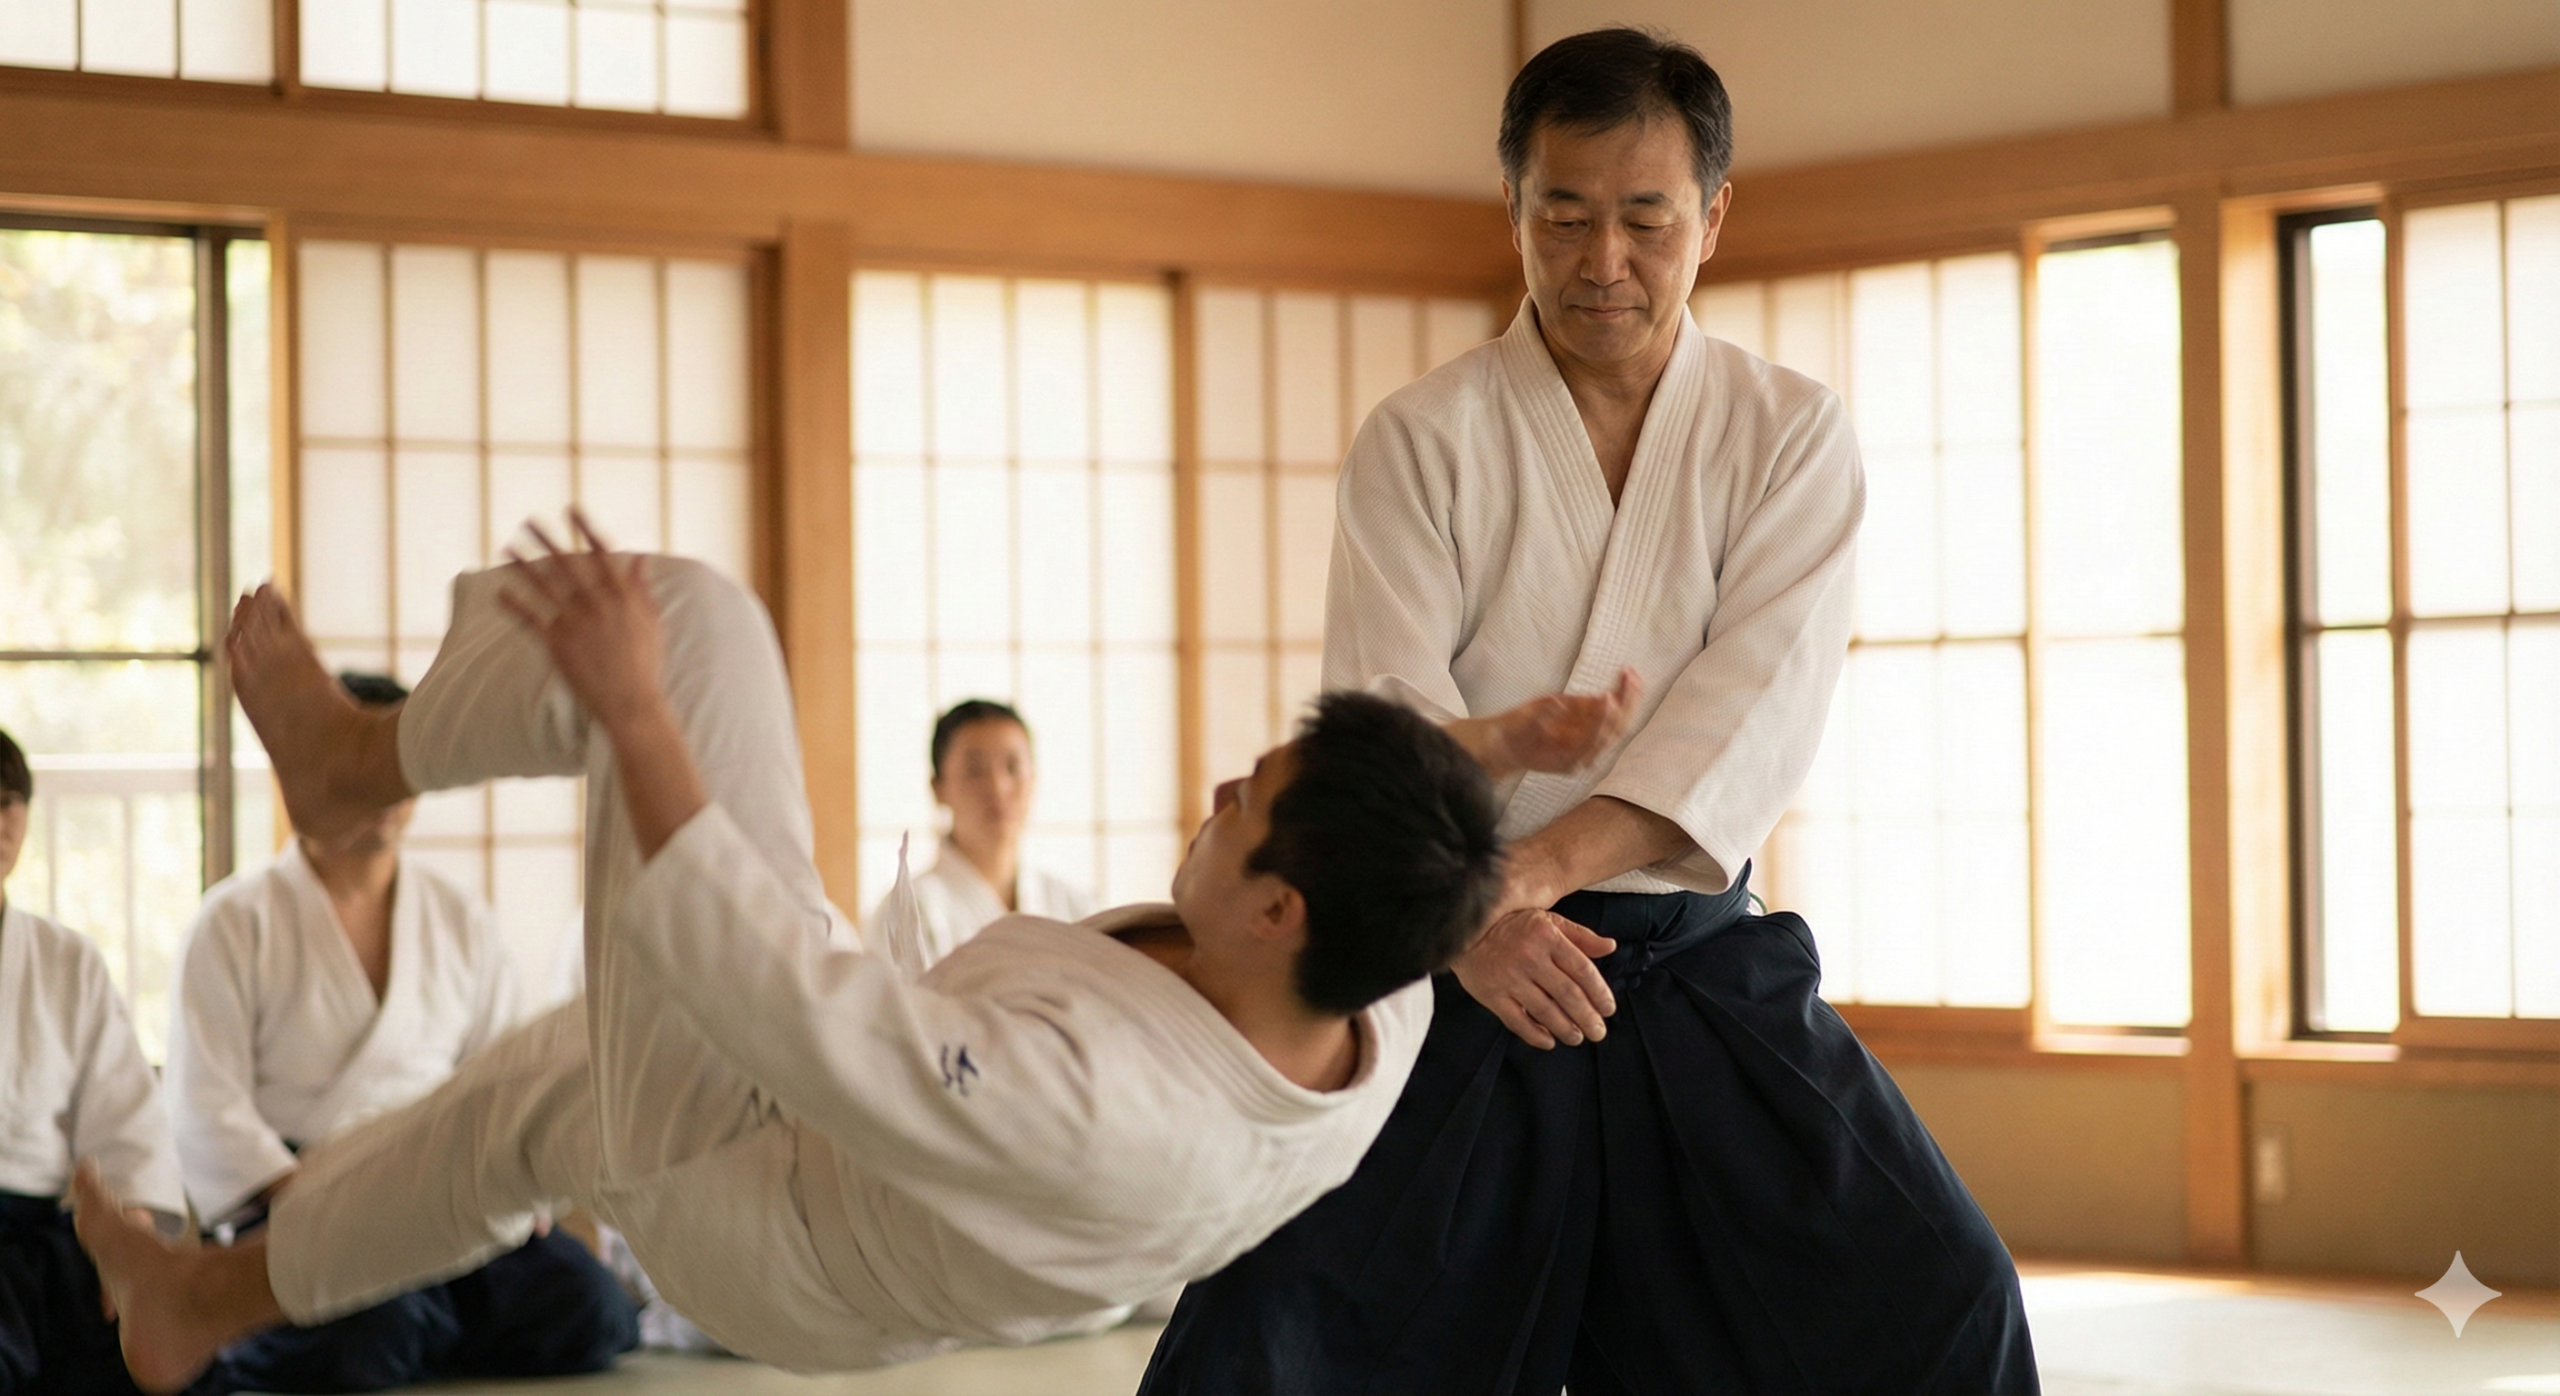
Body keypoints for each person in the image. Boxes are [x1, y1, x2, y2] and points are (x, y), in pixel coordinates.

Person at [72, 519, 1633, 1393]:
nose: (1224, 792)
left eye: (1254, 803)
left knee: (655, 666)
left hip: (771, 1223)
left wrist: (629, 719)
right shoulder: (1384, 965)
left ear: (1281, 913)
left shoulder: (1110, 1112)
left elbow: (789, 1009)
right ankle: (208, 1300)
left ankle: (212, 1293)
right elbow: (1420, 851)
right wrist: (1485, 746)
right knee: (694, 641)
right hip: (834, 1110)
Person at [1141, 28, 2038, 1395]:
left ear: (1713, 218)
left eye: (1643, 219)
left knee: (1936, 1303)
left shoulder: (1788, 433)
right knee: (1279, 1334)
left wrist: (1532, 875)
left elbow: (1757, 707)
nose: (1599, 260)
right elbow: (1390, 715)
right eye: (1561, 215)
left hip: (1681, 961)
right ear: (1515, 212)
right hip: (1453, 973)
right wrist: (1476, 922)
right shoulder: (1423, 440)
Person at [166, 672, 638, 1392]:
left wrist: (515, 1183)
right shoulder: (234, 922)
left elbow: (507, 1071)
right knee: (366, 1332)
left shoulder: (457, 918)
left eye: (395, 768)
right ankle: (395, 1318)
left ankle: (419, 1314)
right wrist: (317, 1200)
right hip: (300, 1187)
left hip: (442, 1181)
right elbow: (205, 1104)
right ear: (305, 774)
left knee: (588, 1309)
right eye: (356, 768)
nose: (381, 791)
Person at [0, 728, 214, 1396]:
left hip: (40, 1235)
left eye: (9, 802)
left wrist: (132, 1241)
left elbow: (124, 1120)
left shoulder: (66, 961)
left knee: (172, 1369)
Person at [869, 700, 1094, 973]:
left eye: (1012, 767)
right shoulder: (909, 913)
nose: (998, 788)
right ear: (938, 788)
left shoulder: (1072, 904)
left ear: (1033, 779)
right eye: (975, 771)